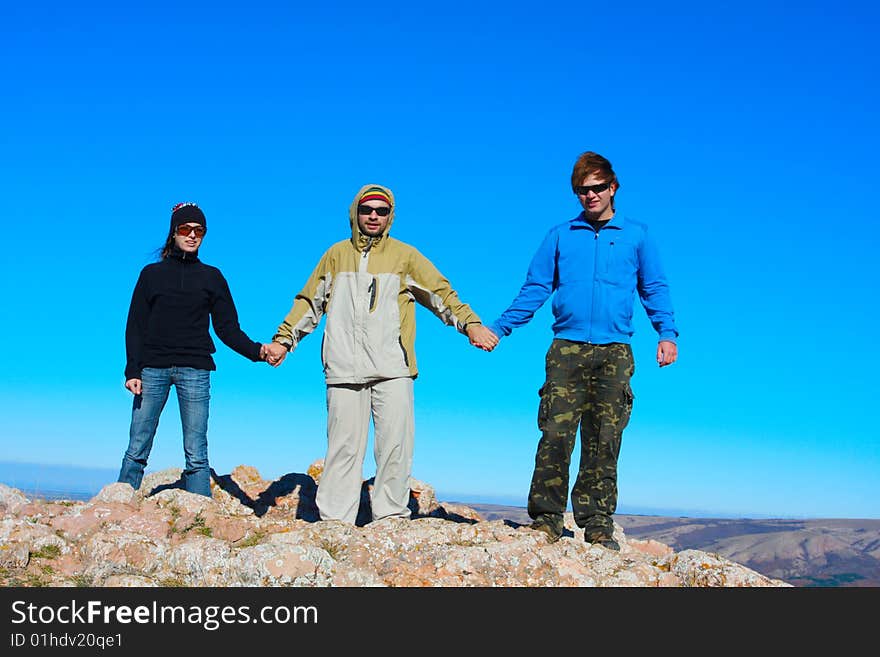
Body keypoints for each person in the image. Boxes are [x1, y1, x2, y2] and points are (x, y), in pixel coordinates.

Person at [264, 184, 497, 524]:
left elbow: (441, 293)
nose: (373, 216)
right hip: (343, 367)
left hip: (393, 368)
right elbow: (309, 303)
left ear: (390, 216)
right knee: (343, 450)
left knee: (394, 449)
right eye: (367, 209)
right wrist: (284, 340)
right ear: (354, 213)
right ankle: (335, 524)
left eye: (381, 211)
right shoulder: (336, 255)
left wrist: (470, 325)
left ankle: (389, 521)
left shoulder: (405, 256)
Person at [482, 152, 678, 550]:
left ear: (613, 187)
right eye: (582, 190)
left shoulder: (636, 236)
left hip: (615, 351)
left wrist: (666, 333)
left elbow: (653, 287)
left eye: (597, 188)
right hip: (566, 349)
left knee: (604, 438)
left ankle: (598, 523)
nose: (589, 196)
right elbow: (536, 287)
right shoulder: (560, 235)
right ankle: (547, 519)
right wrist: (501, 326)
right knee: (555, 432)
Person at [118, 202, 268, 497]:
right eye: (185, 229)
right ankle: (117, 509)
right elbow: (135, 325)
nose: (192, 235)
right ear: (173, 233)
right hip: (152, 369)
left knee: (196, 453)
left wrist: (258, 351)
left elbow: (228, 329)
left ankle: (200, 519)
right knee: (137, 446)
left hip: (196, 369)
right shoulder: (151, 274)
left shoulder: (212, 277)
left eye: (199, 231)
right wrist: (132, 370)